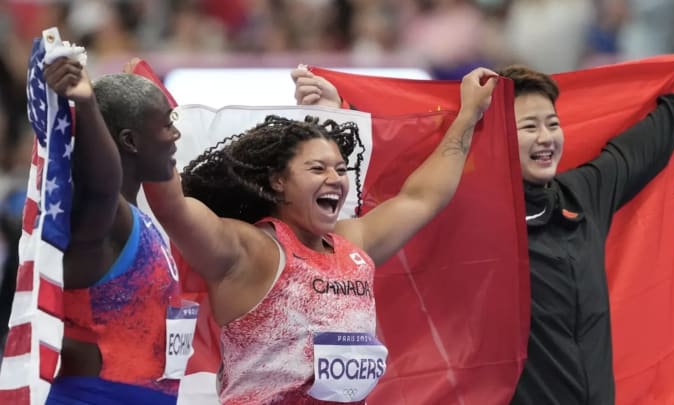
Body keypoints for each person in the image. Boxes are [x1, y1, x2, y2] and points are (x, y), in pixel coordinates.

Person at [291, 53, 674, 404]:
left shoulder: (581, 195)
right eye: (529, 127)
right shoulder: (465, 208)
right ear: (497, 136)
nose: (546, 137)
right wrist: (338, 110)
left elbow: (639, 150)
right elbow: (397, 161)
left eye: (552, 123)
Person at [142, 64, 497, 404]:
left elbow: (422, 197)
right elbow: (173, 207)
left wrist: (469, 115)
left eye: (341, 168)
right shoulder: (251, 251)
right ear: (278, 181)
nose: (336, 178)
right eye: (318, 168)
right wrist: (150, 130)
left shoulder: (353, 245)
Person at [42, 55, 185, 404]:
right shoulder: (100, 220)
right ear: (130, 141)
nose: (176, 134)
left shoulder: (140, 219)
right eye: (167, 124)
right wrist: (87, 104)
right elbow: (100, 187)